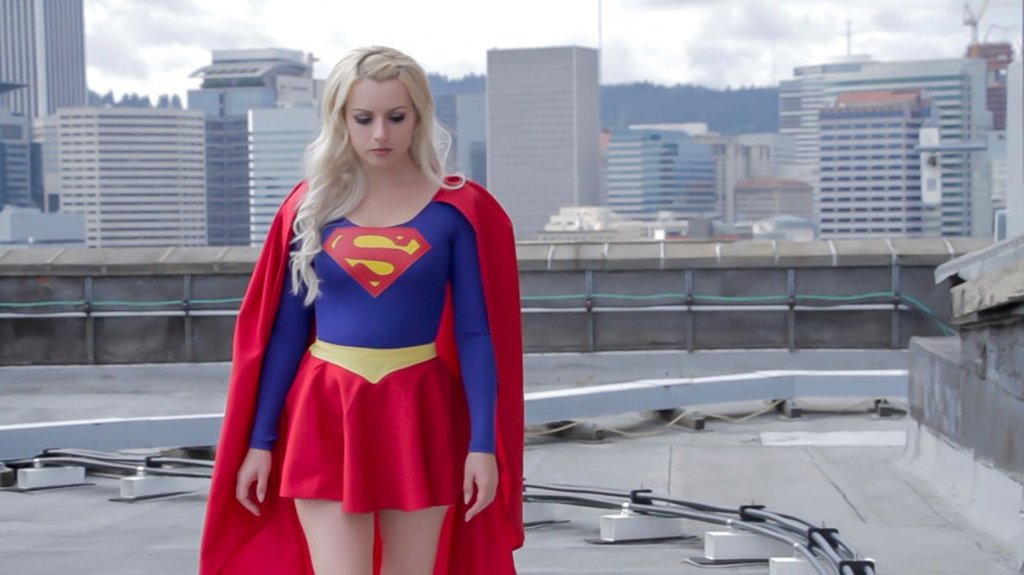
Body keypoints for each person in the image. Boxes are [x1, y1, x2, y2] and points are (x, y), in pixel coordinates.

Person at [199, 46, 524, 574]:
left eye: (396, 117)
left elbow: (476, 334)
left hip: (419, 409)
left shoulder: (457, 210)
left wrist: (483, 446)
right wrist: (258, 443)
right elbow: (285, 333)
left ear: (419, 117)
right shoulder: (310, 209)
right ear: (340, 119)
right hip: (324, 409)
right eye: (363, 118)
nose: (380, 134)